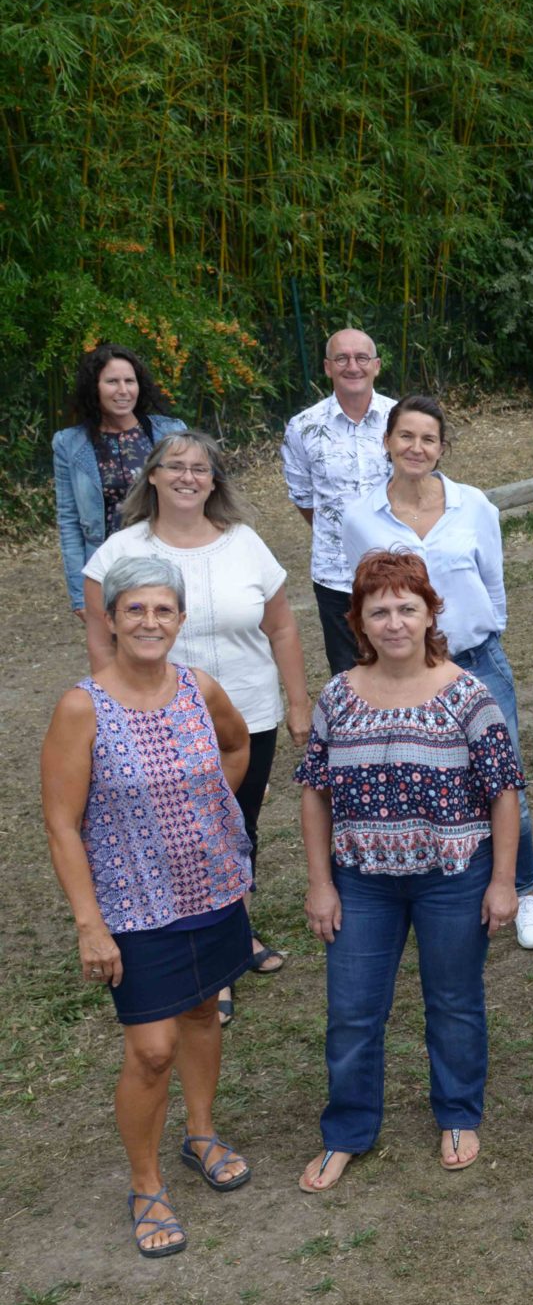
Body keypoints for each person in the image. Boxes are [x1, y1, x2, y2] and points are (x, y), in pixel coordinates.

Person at [41, 554, 256, 1257]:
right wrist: (89, 923)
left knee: (201, 1011)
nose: (149, 621)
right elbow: (62, 823)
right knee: (151, 1049)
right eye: (134, 608)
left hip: (211, 888)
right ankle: (146, 1183)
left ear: (181, 620)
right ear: (109, 620)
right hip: (133, 910)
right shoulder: (82, 706)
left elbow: (236, 744)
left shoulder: (198, 687)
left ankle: (200, 1134)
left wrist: (211, 810)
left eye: (163, 609)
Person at [293, 551, 523, 1193]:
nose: (394, 622)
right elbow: (313, 791)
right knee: (352, 1011)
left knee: (452, 1001)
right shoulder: (337, 696)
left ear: (429, 614)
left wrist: (503, 881)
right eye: (379, 611)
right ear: (359, 624)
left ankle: (457, 1113)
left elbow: (505, 791)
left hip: (453, 877)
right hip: (362, 881)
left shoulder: (468, 694)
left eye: (406, 608)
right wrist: (320, 883)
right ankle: (346, 1130)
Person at [83, 430, 312, 1017]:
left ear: (215, 482)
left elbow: (282, 628)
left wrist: (297, 701)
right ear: (152, 476)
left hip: (246, 716)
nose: (189, 477)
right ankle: (197, 956)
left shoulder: (246, 544)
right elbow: (102, 650)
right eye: (176, 466)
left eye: (201, 469)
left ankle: (232, 938)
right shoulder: (117, 554)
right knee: (174, 833)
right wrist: (118, 722)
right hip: (154, 725)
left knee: (236, 825)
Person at [340, 394, 533, 951]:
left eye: (428, 438)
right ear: (387, 442)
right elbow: (361, 596)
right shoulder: (360, 517)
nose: (416, 447)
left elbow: (494, 580)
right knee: (426, 787)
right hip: (403, 675)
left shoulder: (474, 504)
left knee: (505, 785)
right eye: (406, 436)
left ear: (441, 447)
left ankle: (523, 889)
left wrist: (483, 635)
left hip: (477, 663)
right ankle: (439, 890)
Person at [281, 328, 396, 675]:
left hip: (399, 565)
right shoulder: (303, 427)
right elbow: (303, 497)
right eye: (342, 358)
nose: (352, 366)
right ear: (328, 367)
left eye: (361, 358)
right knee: (349, 674)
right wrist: (342, 535)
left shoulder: (402, 420)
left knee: (403, 663)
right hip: (336, 575)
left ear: (376, 365)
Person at [55, 343, 188, 624]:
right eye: (112, 382)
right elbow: (69, 521)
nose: (123, 390)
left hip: (169, 560)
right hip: (109, 568)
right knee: (119, 657)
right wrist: (79, 594)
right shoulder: (69, 444)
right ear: (95, 387)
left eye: (130, 381)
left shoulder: (170, 432)